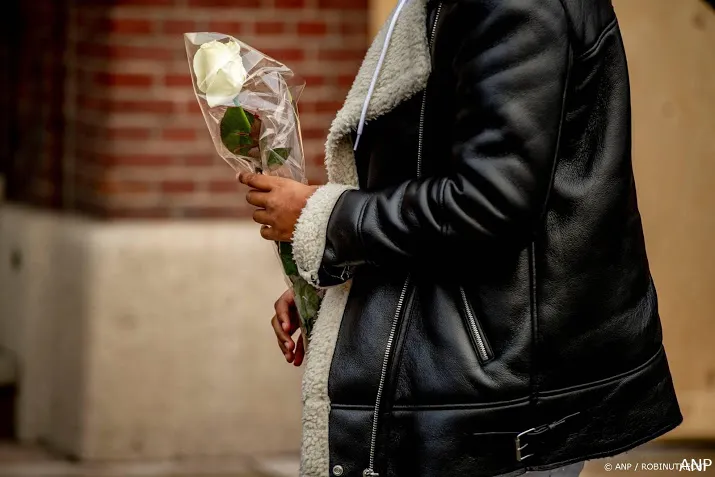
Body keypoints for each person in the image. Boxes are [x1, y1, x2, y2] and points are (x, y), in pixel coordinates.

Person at [238, 0, 682, 475]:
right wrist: (341, 280)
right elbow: (429, 172)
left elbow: (489, 202)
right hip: (478, 378)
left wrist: (327, 218)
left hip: (500, 390)